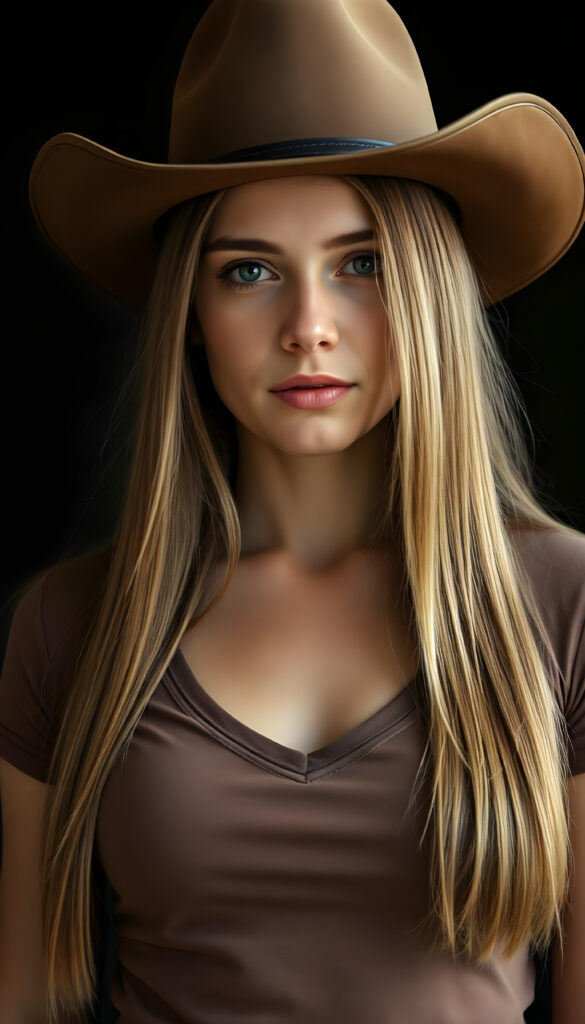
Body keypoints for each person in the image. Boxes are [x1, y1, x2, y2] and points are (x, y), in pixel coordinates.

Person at [0, 1, 584, 1021]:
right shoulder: (69, 627)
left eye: (362, 263)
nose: (307, 328)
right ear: (191, 310)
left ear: (432, 292)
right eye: (252, 270)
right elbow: (25, 997)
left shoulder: (566, 603)